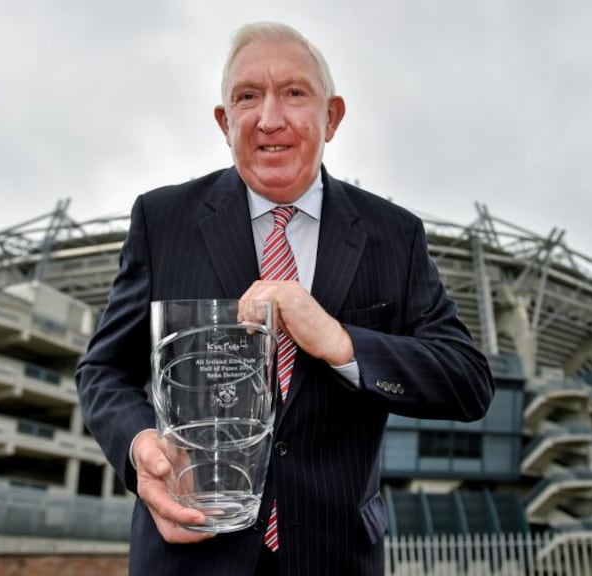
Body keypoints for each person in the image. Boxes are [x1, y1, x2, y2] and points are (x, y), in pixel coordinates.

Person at [76, 21, 494, 575]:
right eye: (247, 97)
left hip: (334, 556)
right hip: (188, 557)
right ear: (225, 122)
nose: (269, 119)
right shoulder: (163, 220)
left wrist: (341, 343)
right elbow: (103, 371)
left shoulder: (393, 236)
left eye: (294, 93)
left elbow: (468, 381)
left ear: (332, 116)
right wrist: (140, 447)